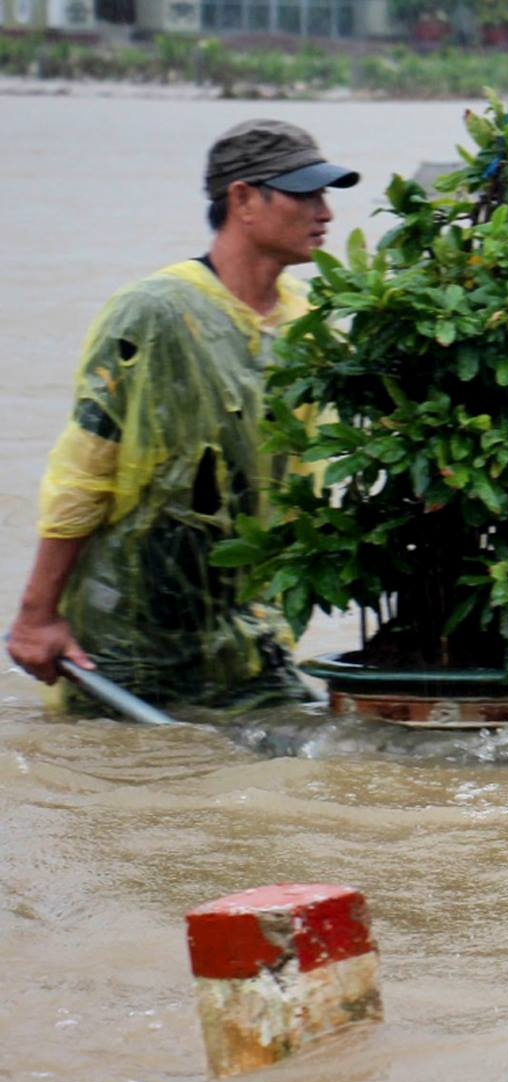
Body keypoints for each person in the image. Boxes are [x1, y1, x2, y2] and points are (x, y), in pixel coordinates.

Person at [5, 120, 358, 717]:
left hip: (252, 644)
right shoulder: (155, 312)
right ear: (243, 199)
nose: (324, 213)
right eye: (304, 194)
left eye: (326, 195)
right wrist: (37, 616)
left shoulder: (311, 320)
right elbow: (84, 473)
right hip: (133, 644)